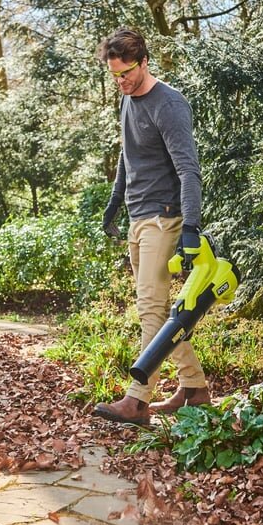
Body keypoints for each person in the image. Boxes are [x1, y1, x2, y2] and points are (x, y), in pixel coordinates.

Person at [91, 28, 212, 427]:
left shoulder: (169, 104)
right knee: (156, 312)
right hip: (138, 216)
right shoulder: (127, 98)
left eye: (126, 73)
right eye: (114, 75)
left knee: (150, 309)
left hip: (164, 216)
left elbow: (188, 170)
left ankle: (137, 400)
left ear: (144, 62)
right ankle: (194, 387)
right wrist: (114, 203)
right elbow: (127, 156)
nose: (121, 81)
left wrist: (191, 225)